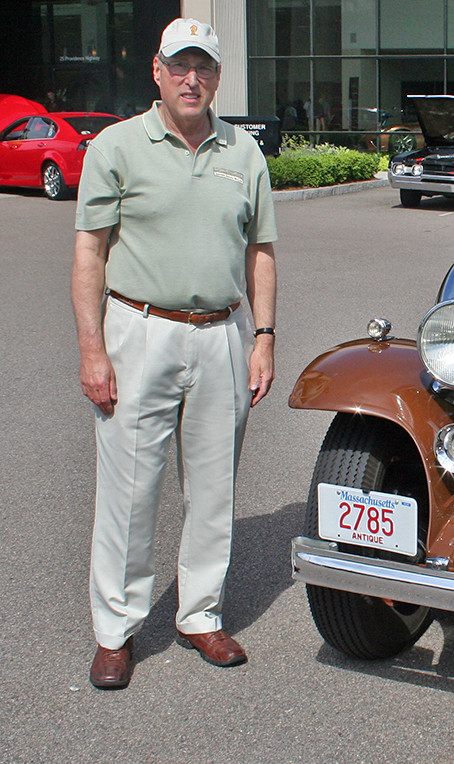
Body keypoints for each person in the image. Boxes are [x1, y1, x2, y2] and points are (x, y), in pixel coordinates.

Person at [71, 17, 277, 690]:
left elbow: (261, 251)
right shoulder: (117, 146)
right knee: (130, 491)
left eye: (206, 68)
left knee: (215, 489)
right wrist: (93, 351)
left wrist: (264, 338)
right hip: (140, 329)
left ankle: (200, 614)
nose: (194, 79)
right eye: (180, 66)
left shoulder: (243, 152)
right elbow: (90, 254)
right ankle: (116, 630)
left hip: (220, 333)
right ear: (156, 71)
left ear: (217, 77)